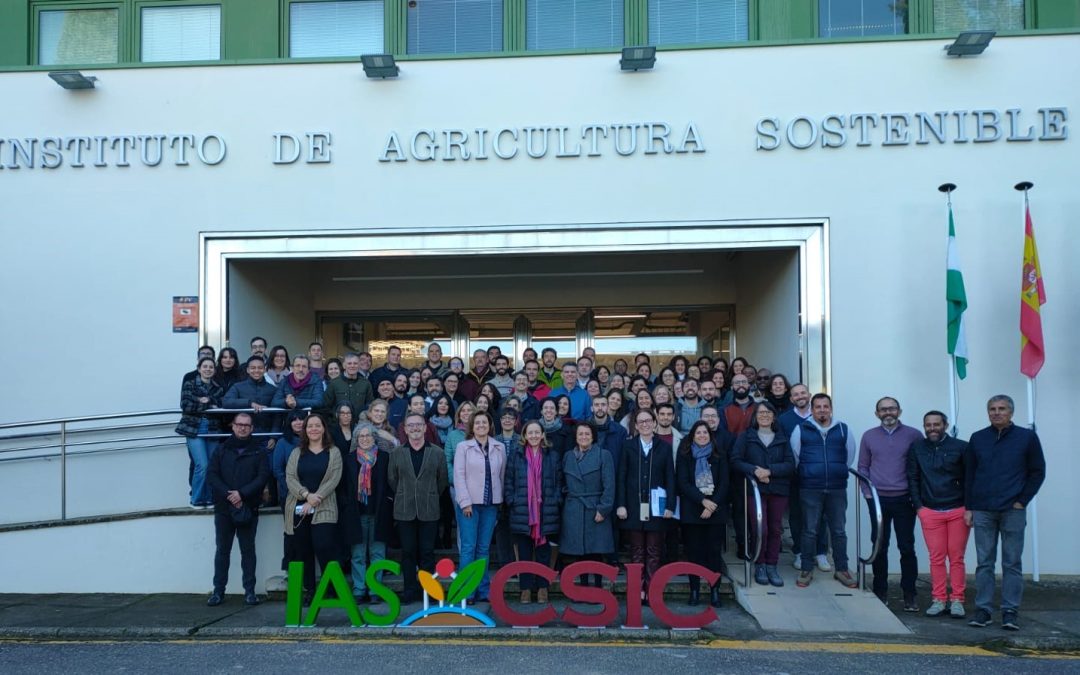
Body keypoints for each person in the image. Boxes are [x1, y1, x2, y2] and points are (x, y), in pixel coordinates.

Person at [965, 394, 1046, 631]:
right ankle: (984, 610)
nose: (996, 412)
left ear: (1011, 412)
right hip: (983, 510)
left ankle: (1010, 611)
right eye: (992, 409)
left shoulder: (1027, 438)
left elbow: (1037, 471)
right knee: (984, 563)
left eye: (1001, 408)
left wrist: (1022, 501)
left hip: (1013, 510)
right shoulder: (978, 438)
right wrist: (969, 507)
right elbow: (970, 474)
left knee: (1011, 563)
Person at [857, 396, 924, 610]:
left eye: (892, 409)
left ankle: (909, 594)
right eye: (883, 409)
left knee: (906, 546)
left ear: (899, 411)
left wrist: (917, 496)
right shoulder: (869, 436)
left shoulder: (914, 435)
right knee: (879, 546)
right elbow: (863, 467)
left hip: (904, 499)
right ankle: (880, 591)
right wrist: (868, 494)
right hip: (877, 500)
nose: (888, 413)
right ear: (877, 413)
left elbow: (920, 467)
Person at [790, 393, 857, 589]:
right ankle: (806, 568)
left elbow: (849, 455)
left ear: (831, 408)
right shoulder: (801, 429)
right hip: (810, 487)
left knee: (838, 530)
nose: (821, 410)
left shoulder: (843, 429)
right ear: (812, 409)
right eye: (817, 407)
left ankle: (842, 569)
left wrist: (837, 471)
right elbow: (796, 456)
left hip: (836, 487)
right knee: (809, 530)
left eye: (825, 406)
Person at [908, 410, 969, 619]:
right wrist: (919, 508)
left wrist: (969, 508)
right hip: (930, 511)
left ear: (945, 424)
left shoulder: (961, 447)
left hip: (957, 510)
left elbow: (970, 479)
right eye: (928, 425)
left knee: (957, 557)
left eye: (936, 424)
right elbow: (913, 479)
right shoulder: (917, 448)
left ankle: (958, 600)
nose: (932, 428)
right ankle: (939, 599)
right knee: (936, 558)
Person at [206, 412, 270, 606]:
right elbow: (212, 475)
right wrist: (229, 494)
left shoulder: (259, 451)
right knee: (222, 551)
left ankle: (249, 592)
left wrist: (241, 494)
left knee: (248, 551)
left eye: (247, 425)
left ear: (252, 428)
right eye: (239, 424)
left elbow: (262, 477)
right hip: (224, 509)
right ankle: (218, 592)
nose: (243, 427)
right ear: (232, 426)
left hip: (248, 507)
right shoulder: (221, 449)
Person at [732, 403, 796, 587]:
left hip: (778, 489)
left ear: (774, 416)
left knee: (776, 529)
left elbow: (790, 464)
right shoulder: (746, 436)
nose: (765, 415)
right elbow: (736, 460)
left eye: (768, 412)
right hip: (755, 491)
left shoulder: (782, 437)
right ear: (755, 416)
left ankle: (771, 565)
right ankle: (759, 563)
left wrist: (770, 471)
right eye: (761, 413)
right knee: (761, 529)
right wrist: (755, 470)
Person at [387, 411, 449, 604]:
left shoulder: (437, 452)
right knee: (408, 552)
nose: (414, 428)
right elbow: (392, 479)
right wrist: (406, 494)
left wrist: (428, 495)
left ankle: (428, 590)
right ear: (405, 429)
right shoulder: (397, 453)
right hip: (404, 509)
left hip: (429, 509)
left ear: (425, 428)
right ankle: (410, 591)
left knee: (427, 552)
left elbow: (442, 480)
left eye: (418, 425)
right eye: (410, 425)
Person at [616, 408, 675, 604]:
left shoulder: (664, 447)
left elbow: (670, 478)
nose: (645, 424)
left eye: (648, 420)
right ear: (635, 425)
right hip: (633, 506)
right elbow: (621, 477)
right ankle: (638, 589)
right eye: (640, 421)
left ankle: (651, 589)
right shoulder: (628, 446)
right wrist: (621, 505)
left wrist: (670, 506)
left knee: (653, 551)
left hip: (657, 507)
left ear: (654, 422)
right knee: (637, 551)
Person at [284, 413, 343, 601]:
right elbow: (290, 478)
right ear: (305, 430)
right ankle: (310, 590)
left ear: (324, 428)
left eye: (318, 425)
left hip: (325, 506)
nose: (314, 429)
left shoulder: (333, 452)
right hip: (298, 508)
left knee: (324, 546)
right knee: (303, 550)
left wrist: (314, 500)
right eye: (310, 426)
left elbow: (334, 478)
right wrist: (306, 496)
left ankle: (331, 587)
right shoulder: (296, 452)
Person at [505, 420, 563, 603]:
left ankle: (543, 588)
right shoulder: (516, 455)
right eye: (530, 432)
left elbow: (559, 482)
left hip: (545, 510)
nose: (534, 436)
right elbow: (509, 480)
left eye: (537, 432)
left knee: (543, 551)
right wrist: (512, 500)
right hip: (523, 510)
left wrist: (556, 499)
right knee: (524, 551)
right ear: (524, 435)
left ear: (543, 434)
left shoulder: (552, 456)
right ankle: (525, 589)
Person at [453, 411, 507, 602]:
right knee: (468, 547)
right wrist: (465, 502)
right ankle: (466, 591)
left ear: (490, 425)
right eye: (477, 423)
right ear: (472, 426)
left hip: (490, 505)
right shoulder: (463, 447)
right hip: (469, 505)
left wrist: (500, 500)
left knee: (483, 549)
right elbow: (458, 476)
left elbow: (501, 475)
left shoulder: (499, 447)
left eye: (485, 422)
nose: (481, 425)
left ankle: (483, 590)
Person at [676, 420, 730, 606]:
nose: (701, 436)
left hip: (715, 512)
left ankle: (715, 591)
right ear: (692, 435)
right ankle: (695, 591)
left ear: (710, 435)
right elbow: (683, 483)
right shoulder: (685, 455)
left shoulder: (719, 454)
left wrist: (712, 504)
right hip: (692, 512)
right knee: (694, 554)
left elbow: (724, 483)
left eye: (705, 433)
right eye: (698, 433)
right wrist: (703, 501)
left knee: (714, 553)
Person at [341, 422, 393, 603]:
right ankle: (359, 588)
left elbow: (391, 483)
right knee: (358, 554)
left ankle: (375, 589)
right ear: (356, 439)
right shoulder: (348, 459)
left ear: (374, 438)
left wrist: (388, 501)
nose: (364, 439)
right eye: (361, 436)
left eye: (368, 435)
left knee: (377, 552)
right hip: (356, 512)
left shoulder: (385, 457)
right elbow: (343, 486)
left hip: (379, 511)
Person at [780, 383, 828, 572]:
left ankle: (821, 552)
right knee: (797, 514)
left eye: (803, 393)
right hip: (795, 475)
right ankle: (800, 551)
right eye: (795, 394)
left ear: (809, 395)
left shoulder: (821, 416)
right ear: (791, 399)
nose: (800, 396)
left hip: (819, 476)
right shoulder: (784, 419)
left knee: (820, 515)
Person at [560, 423, 616, 588]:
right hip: (574, 508)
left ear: (593, 437)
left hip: (594, 507)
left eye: (587, 434)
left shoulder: (603, 455)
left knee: (596, 551)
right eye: (580, 434)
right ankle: (583, 589)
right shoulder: (568, 456)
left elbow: (609, 485)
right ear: (576, 437)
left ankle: (597, 588)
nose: (583, 437)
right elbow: (563, 481)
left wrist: (603, 508)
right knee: (579, 553)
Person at [176, 356, 224, 508]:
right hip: (194, 429)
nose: (208, 369)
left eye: (211, 367)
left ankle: (209, 498)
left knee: (212, 466)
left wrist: (203, 401)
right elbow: (185, 406)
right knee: (202, 465)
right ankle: (196, 499)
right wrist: (209, 405)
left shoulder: (218, 387)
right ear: (199, 368)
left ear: (214, 370)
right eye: (205, 366)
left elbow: (222, 406)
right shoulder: (190, 384)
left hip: (213, 428)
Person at [223, 356, 277, 437]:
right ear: (247, 370)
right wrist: (249, 403)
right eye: (253, 368)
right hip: (242, 434)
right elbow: (226, 401)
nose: (256, 370)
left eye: (260, 368)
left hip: (265, 435)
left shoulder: (272, 389)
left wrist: (274, 436)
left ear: (265, 369)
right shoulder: (238, 387)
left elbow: (278, 416)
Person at [323, 352, 373, 417]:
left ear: (359, 365)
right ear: (344, 365)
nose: (352, 366)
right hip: (338, 424)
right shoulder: (334, 384)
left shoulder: (366, 384)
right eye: (349, 363)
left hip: (360, 424)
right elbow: (326, 407)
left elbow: (370, 406)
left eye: (355, 363)